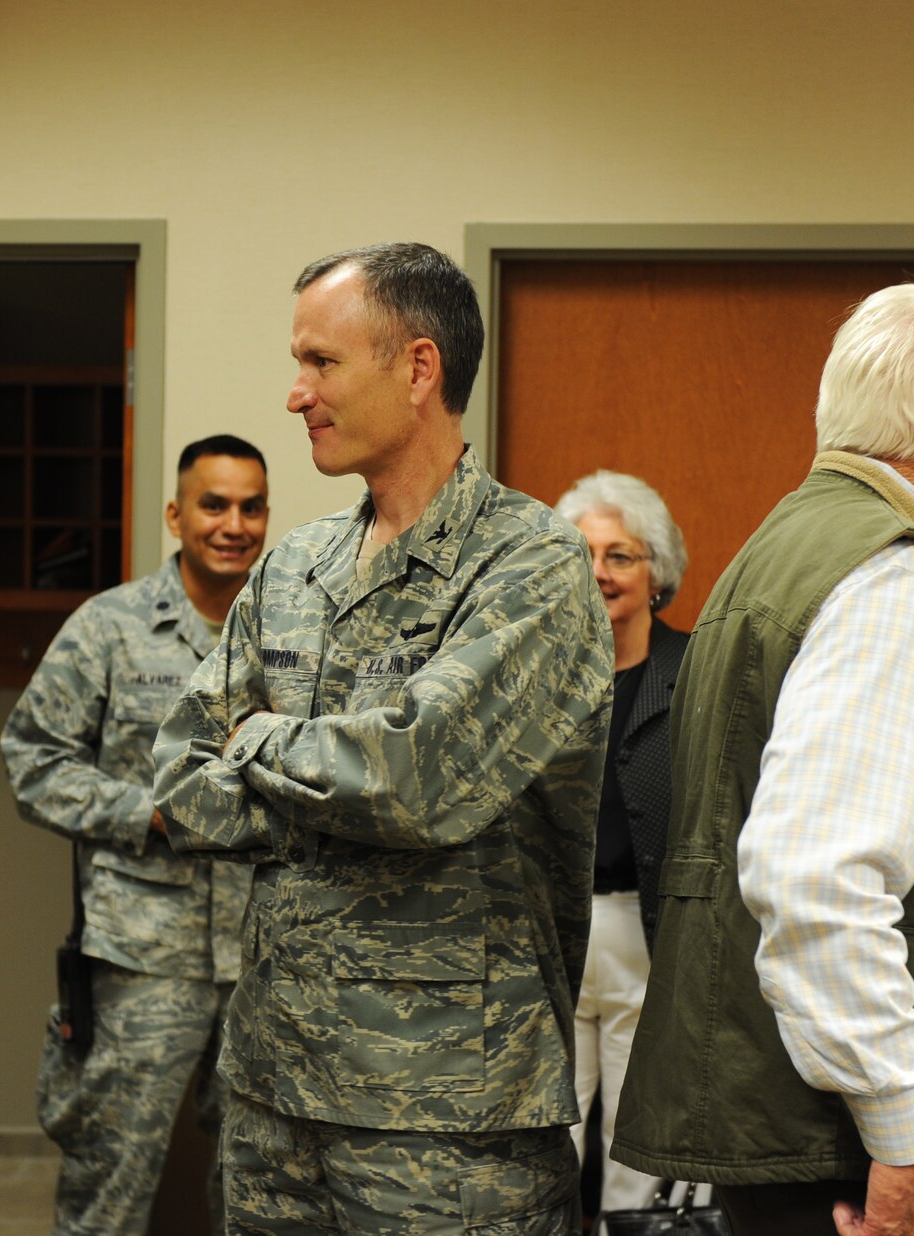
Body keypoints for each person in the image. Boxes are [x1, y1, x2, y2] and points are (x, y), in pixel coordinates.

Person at [612, 283, 914, 1236]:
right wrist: (909, 1139)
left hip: (792, 1124)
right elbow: (819, 885)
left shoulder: (784, 545)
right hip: (849, 1153)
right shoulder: (897, 576)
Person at [152, 242, 613, 1233]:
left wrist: (262, 738)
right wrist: (325, 775)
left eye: (320, 362)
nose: (294, 393)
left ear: (416, 367)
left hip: (449, 1120)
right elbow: (178, 775)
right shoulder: (295, 567)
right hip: (272, 1091)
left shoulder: (529, 565)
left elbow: (414, 777)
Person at [2, 433, 271, 1234]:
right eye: (214, 505)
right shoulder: (110, 627)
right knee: (108, 1186)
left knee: (263, 1191)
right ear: (176, 514)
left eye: (251, 506)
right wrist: (148, 814)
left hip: (267, 951)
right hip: (142, 958)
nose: (234, 524)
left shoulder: (290, 629)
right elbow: (32, 760)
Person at [554, 470, 692, 1226]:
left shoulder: (694, 671)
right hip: (556, 937)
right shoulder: (538, 679)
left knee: (636, 1146)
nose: (600, 573)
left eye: (620, 555)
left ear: (656, 570)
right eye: (584, 556)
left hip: (649, 938)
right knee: (548, 1138)